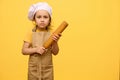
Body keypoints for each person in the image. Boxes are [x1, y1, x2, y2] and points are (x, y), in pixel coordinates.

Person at [22, 2, 61, 80]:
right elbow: (24, 50)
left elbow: (55, 52)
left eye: (45, 17)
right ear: (34, 19)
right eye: (39, 17)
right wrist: (36, 49)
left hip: (47, 69)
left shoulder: (52, 34)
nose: (42, 20)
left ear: (49, 19)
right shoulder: (30, 33)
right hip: (34, 69)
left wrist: (55, 42)